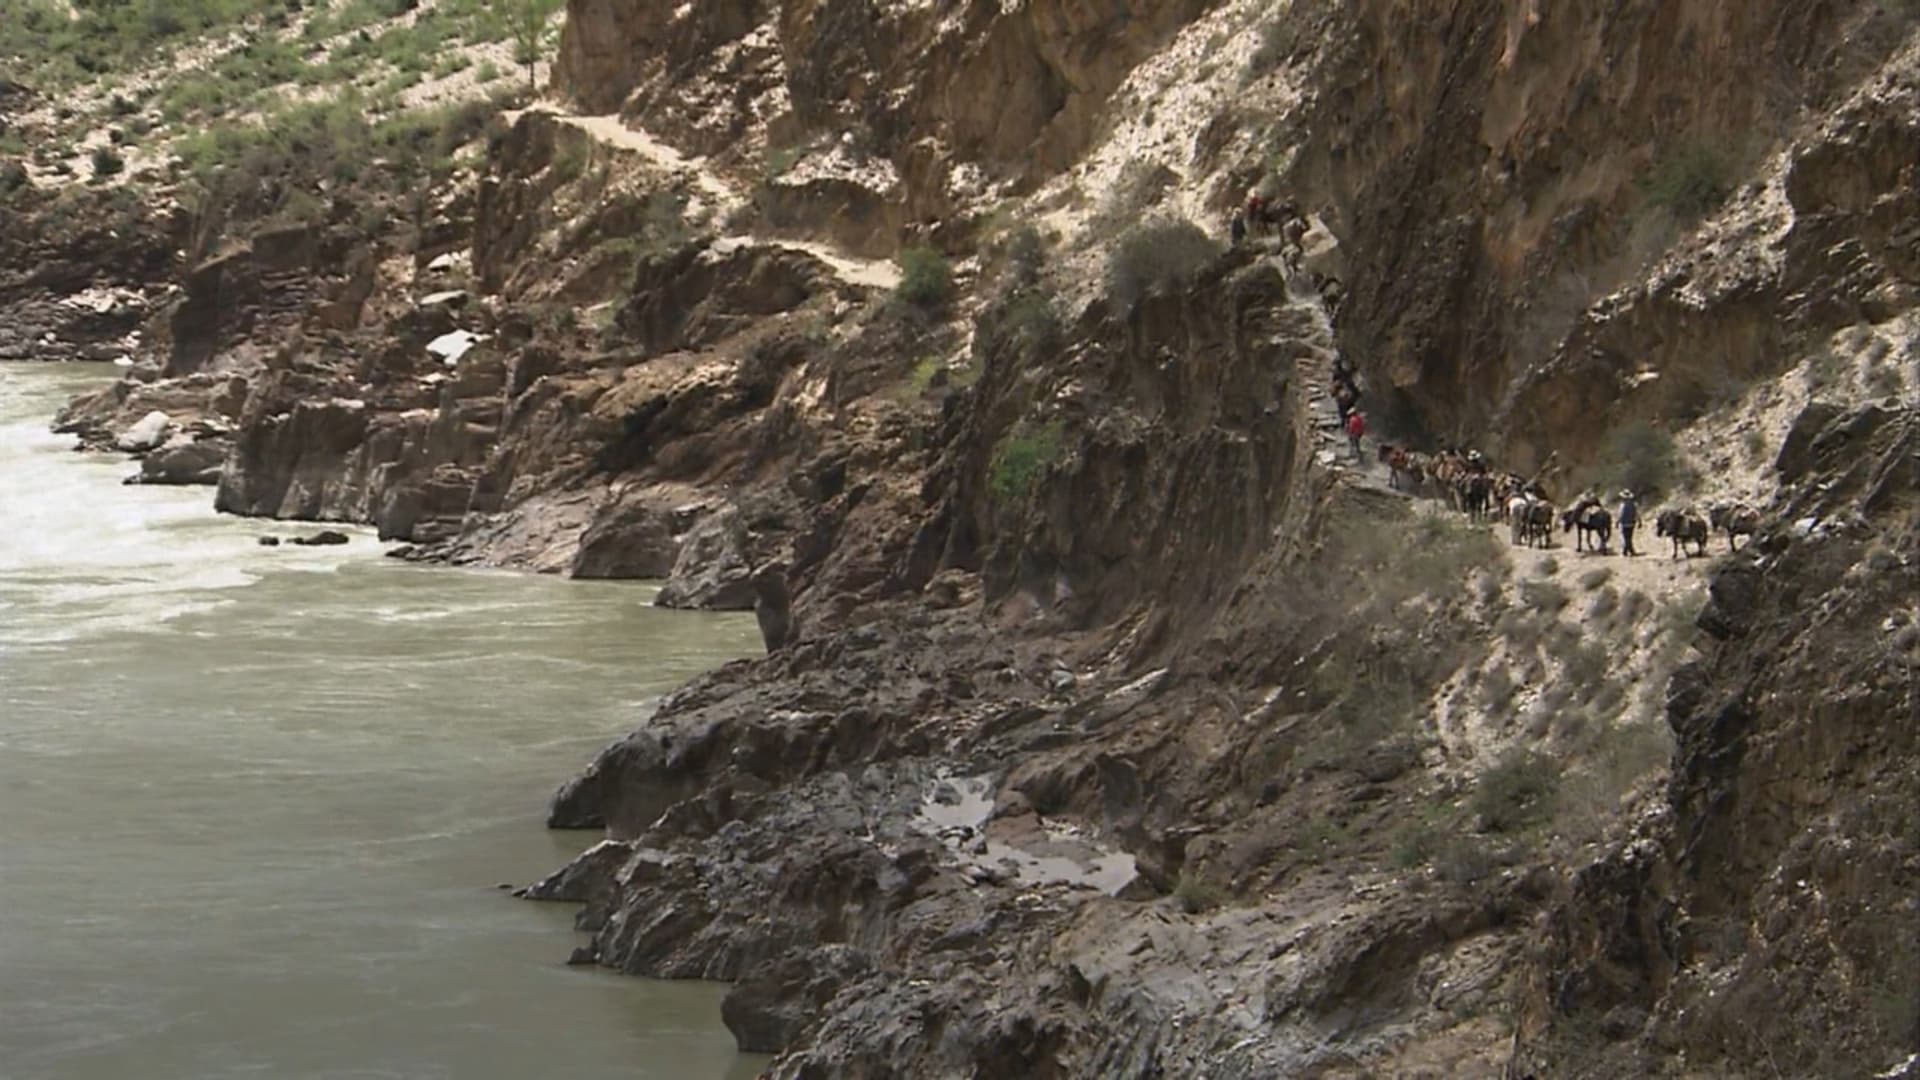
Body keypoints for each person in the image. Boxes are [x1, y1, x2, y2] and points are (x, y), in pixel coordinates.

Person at [1617, 489, 1639, 557]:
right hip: (1632, 523)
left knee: (1624, 537)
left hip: (1624, 523)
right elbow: (1637, 514)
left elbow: (1621, 514)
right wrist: (1639, 521)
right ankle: (1631, 550)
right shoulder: (1634, 504)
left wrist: (1617, 522)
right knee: (1629, 537)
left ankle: (1625, 551)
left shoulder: (1622, 505)